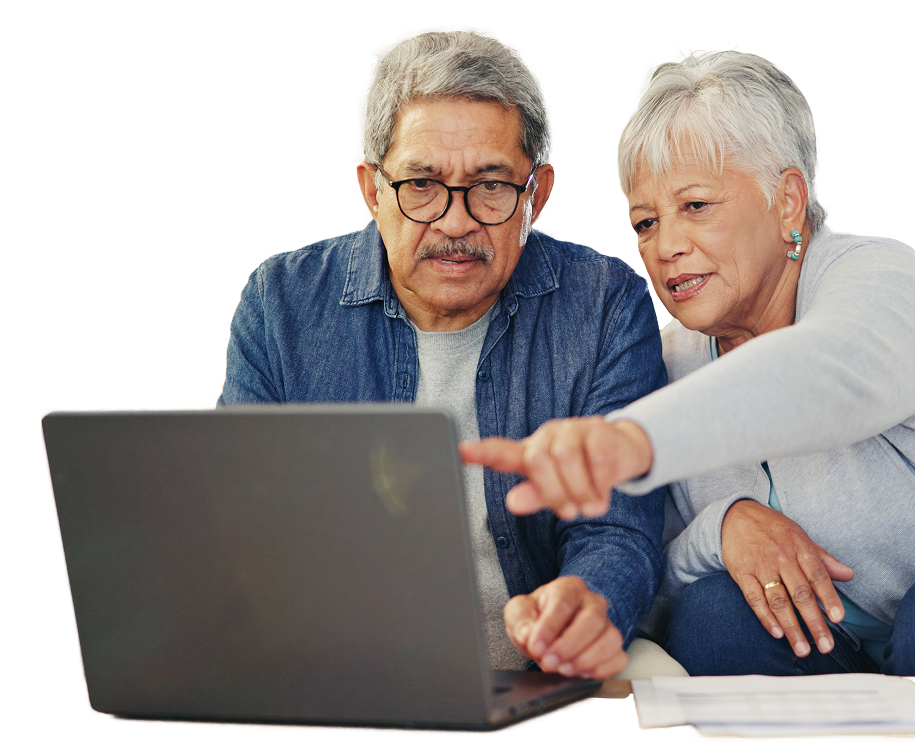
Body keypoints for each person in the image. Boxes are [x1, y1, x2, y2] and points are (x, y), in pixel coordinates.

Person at [217, 24, 668, 679]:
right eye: (422, 184)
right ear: (372, 190)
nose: (456, 222)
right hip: (339, 681)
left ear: (537, 193)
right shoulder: (281, 303)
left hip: (534, 684)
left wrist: (589, 602)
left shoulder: (604, 303)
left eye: (491, 185)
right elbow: (242, 521)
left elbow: (618, 528)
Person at [462, 48, 915, 676]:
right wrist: (722, 529)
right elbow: (650, 570)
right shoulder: (668, 358)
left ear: (788, 201)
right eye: (646, 222)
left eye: (696, 206)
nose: (667, 246)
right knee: (711, 616)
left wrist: (632, 441)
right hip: (820, 645)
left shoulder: (883, 278)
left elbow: (826, 372)